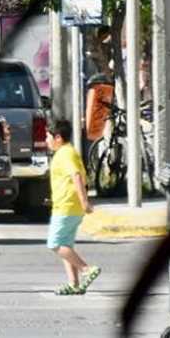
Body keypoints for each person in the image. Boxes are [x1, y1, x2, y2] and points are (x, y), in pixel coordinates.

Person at [46, 118, 100, 295]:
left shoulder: (65, 154)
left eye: (48, 137)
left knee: (54, 244)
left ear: (58, 137)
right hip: (67, 206)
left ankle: (86, 269)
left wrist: (84, 201)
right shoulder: (66, 152)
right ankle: (74, 283)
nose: (46, 141)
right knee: (66, 245)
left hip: (67, 207)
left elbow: (76, 176)